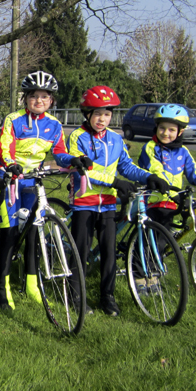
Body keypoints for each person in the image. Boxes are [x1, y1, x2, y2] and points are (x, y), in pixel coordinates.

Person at [67, 86, 170, 316]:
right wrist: (114, 181)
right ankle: (76, 295)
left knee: (109, 251)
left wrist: (150, 176)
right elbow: (85, 171)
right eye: (97, 114)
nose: (102, 119)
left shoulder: (115, 138)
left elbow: (126, 166)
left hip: (108, 204)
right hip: (85, 201)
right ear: (87, 114)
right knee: (81, 251)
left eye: (107, 114)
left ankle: (108, 296)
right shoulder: (78, 136)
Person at [0, 71, 85, 311]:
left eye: (44, 97)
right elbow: (5, 148)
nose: (39, 101)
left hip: (34, 180)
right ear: (25, 99)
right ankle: (2, 290)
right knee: (9, 232)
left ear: (51, 100)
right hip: (11, 178)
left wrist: (74, 160)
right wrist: (11, 164)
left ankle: (32, 285)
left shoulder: (54, 125)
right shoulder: (13, 119)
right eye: (33, 96)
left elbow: (60, 152)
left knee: (35, 232)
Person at [137, 104, 196, 293]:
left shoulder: (183, 151)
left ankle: (153, 273)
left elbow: (194, 173)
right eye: (162, 128)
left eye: (171, 129)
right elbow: (158, 172)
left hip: (171, 203)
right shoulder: (150, 148)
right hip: (152, 202)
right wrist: (177, 196)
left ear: (180, 131)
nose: (166, 133)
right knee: (150, 242)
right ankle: (141, 278)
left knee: (163, 242)